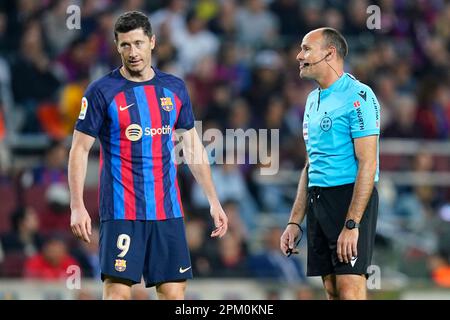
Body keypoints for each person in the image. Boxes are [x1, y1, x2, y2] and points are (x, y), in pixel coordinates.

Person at [68, 11, 228, 300]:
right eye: (125, 45)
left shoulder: (175, 88)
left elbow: (192, 147)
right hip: (121, 211)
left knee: (174, 294)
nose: (133, 52)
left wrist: (213, 201)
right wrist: (77, 205)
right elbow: (79, 149)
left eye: (139, 43)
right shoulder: (101, 91)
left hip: (167, 210)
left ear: (152, 42)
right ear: (117, 47)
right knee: (117, 293)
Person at [280, 28, 380, 300]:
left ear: (329, 53)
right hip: (318, 198)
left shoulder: (359, 96)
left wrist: (352, 224)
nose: (299, 56)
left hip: (348, 196)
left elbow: (368, 163)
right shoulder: (312, 99)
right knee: (332, 290)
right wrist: (294, 222)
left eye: (306, 49)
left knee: (350, 287)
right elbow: (309, 165)